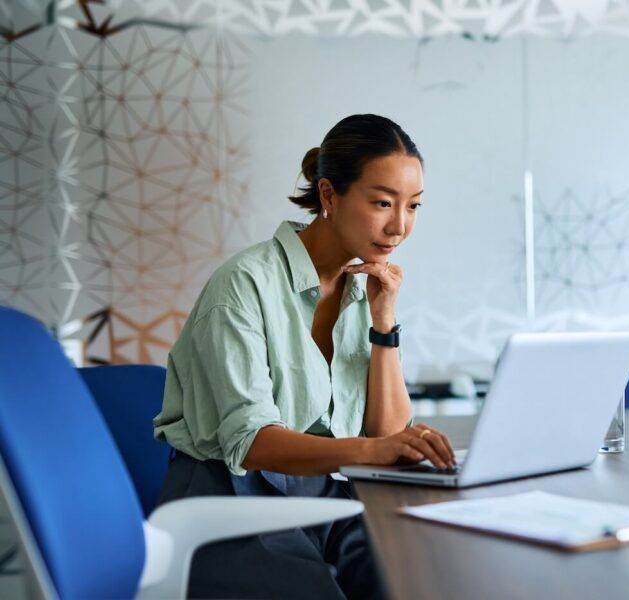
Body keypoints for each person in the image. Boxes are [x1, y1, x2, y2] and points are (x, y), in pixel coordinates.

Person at [153, 114, 455, 599]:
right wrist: (370, 452)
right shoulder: (243, 285)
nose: (399, 226)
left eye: (413, 206)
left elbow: (386, 434)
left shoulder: (366, 287)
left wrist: (384, 324)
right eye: (382, 203)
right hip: (228, 498)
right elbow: (250, 443)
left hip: (321, 493)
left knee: (419, 575)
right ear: (330, 196)